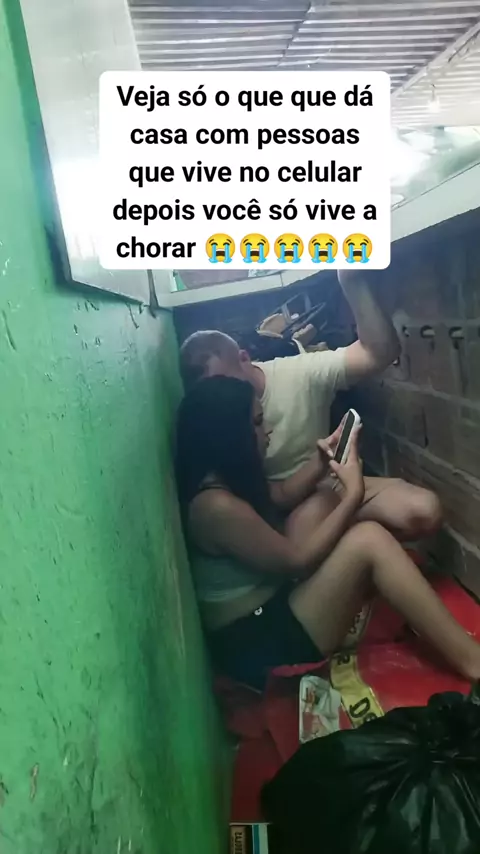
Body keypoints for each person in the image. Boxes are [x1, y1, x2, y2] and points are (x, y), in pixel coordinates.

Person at [175, 376, 480, 690]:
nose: (267, 430)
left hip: (270, 604)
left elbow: (281, 494)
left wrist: (322, 462)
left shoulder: (224, 478)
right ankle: (473, 661)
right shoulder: (216, 508)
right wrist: (353, 494)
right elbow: (298, 562)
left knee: (320, 502)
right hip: (259, 641)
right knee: (369, 540)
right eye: (256, 422)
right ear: (228, 436)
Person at [179, 270, 441, 543]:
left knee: (424, 510)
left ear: (245, 358)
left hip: (330, 485)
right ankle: (350, 548)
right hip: (279, 513)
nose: (223, 394)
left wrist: (350, 280)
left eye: (226, 380)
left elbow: (377, 354)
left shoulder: (296, 374)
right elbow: (264, 498)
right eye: (211, 390)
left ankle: (348, 543)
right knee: (316, 536)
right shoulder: (213, 418)